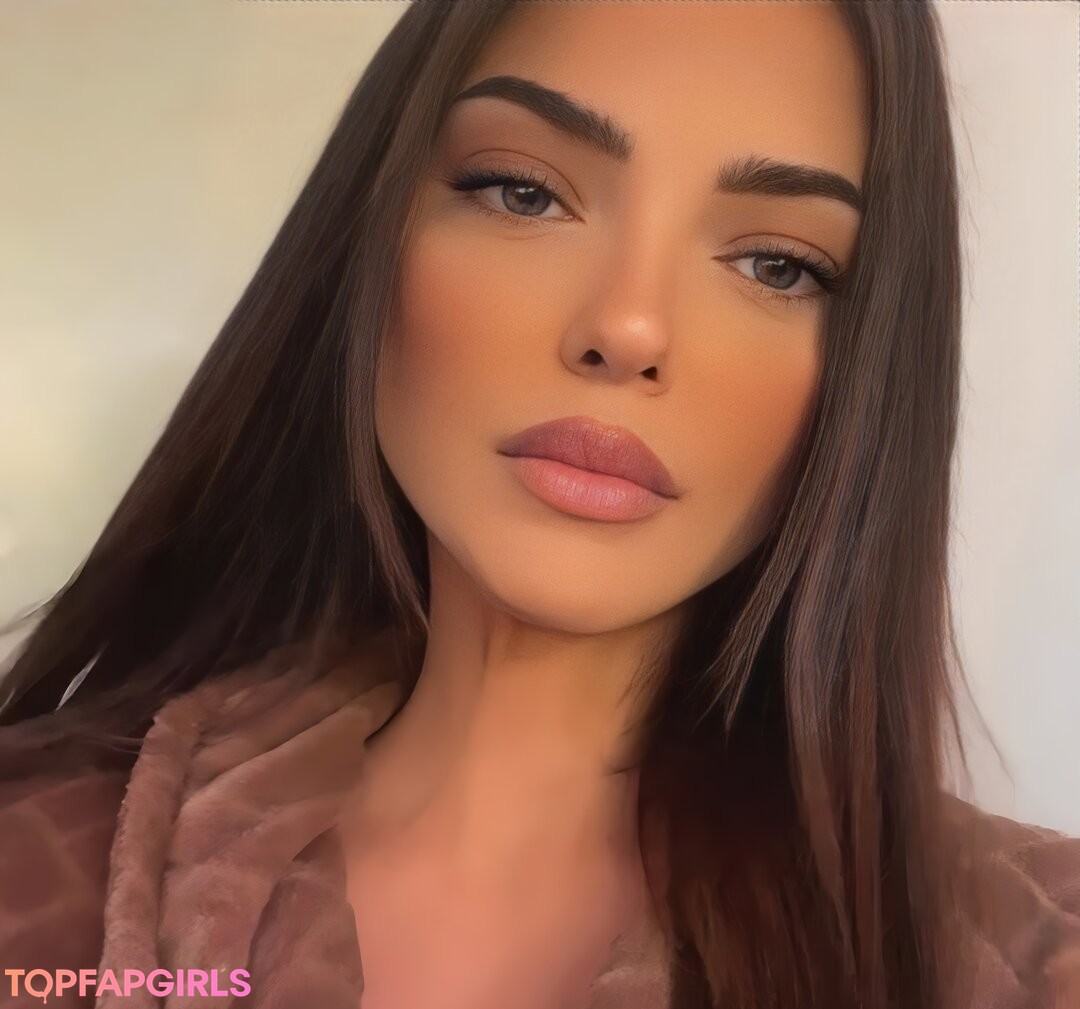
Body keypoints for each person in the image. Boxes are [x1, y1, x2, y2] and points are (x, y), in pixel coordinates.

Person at [0, 2, 1077, 1007]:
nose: (629, 326)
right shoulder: (32, 852)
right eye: (524, 192)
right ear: (371, 231)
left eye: (777, 265)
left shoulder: (1035, 956)